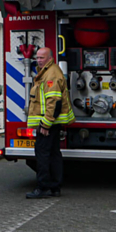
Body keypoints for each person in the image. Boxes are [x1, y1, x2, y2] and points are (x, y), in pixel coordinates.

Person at [25, 47, 74, 199]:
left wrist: (46, 124)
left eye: (42, 57)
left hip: (48, 123)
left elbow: (54, 102)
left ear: (50, 58)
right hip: (51, 122)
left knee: (43, 154)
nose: (39, 60)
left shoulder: (51, 74)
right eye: (37, 57)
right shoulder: (48, 71)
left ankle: (43, 187)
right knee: (53, 154)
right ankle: (54, 187)